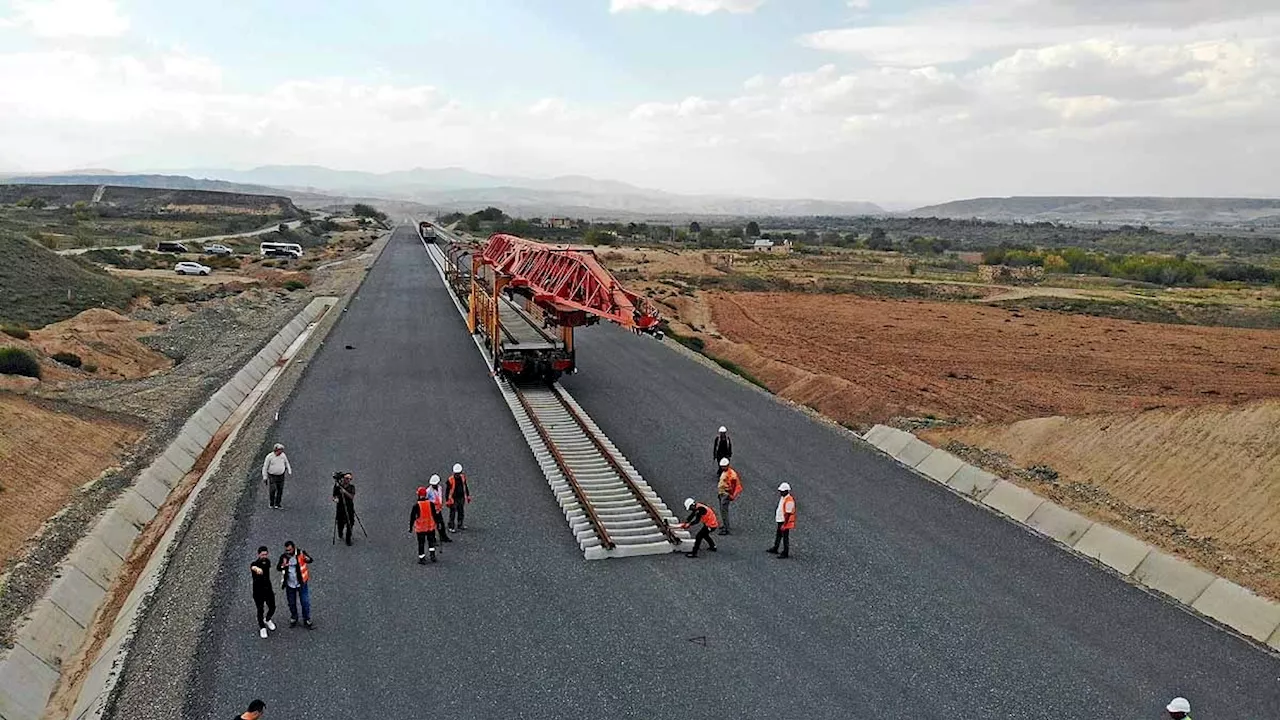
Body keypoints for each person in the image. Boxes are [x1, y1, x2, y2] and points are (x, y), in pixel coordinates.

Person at [277, 541, 312, 628]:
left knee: (305, 602)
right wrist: (283, 565)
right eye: (286, 550)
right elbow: (278, 567)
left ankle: (306, 619)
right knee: (291, 603)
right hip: (290, 585)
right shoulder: (284, 557)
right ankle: (294, 617)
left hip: (301, 583)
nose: (288, 552)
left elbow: (310, 560)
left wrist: (307, 559)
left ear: (294, 548)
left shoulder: (301, 553)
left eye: (290, 550)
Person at [249, 546, 276, 639]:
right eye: (262, 554)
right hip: (258, 592)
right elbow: (253, 566)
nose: (264, 556)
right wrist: (256, 568)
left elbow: (264, 565)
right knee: (260, 610)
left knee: (272, 606)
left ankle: (267, 619)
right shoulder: (254, 563)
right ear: (258, 554)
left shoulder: (267, 562)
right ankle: (262, 628)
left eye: (265, 554)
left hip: (268, 590)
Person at [409, 486, 438, 564]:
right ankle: (432, 556)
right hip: (430, 527)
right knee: (431, 542)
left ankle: (422, 558)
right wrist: (437, 524)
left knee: (421, 543)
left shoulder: (416, 506)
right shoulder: (430, 504)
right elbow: (434, 515)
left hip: (421, 528)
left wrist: (410, 527)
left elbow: (412, 517)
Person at [767, 482, 796, 559]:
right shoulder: (784, 498)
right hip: (781, 521)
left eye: (782, 491)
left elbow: (788, 514)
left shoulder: (789, 500)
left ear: (787, 491)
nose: (780, 492)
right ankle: (775, 548)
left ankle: (785, 552)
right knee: (779, 535)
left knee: (785, 537)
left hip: (784, 522)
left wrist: (784, 524)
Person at [716, 458, 743, 536]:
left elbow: (734, 486)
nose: (722, 468)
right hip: (722, 493)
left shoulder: (732, 475)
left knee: (724, 511)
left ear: (727, 465)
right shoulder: (725, 472)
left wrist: (731, 495)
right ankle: (725, 525)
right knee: (722, 511)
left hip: (725, 494)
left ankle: (726, 529)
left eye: (723, 466)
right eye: (721, 466)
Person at [261, 443, 292, 509]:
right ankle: (272, 503)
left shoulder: (283, 456)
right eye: (279, 450)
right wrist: (265, 477)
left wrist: (289, 470)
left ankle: (278, 504)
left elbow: (287, 463)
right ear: (276, 450)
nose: (281, 452)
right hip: (272, 476)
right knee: (273, 489)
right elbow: (265, 467)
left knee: (280, 489)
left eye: (281, 450)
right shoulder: (269, 457)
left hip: (281, 476)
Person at [332, 472, 356, 546]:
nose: (348, 480)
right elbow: (334, 496)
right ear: (343, 478)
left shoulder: (352, 487)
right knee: (340, 522)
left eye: (350, 479)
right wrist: (335, 499)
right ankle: (340, 532)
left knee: (350, 522)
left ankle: (348, 539)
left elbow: (351, 497)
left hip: (349, 507)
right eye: (347, 478)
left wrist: (344, 492)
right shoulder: (337, 487)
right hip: (340, 507)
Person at [447, 463, 472, 531]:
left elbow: (465, 486)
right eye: (456, 473)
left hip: (461, 497)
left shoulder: (463, 477)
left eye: (458, 473)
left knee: (461, 511)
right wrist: (447, 500)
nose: (457, 475)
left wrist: (468, 495)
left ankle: (460, 524)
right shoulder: (450, 480)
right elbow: (447, 491)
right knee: (453, 512)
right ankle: (451, 526)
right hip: (453, 498)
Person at [427, 475, 451, 544]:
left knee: (441, 524)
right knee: (432, 525)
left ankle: (443, 536)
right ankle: (433, 539)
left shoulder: (440, 488)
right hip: (432, 510)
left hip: (438, 509)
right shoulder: (428, 491)